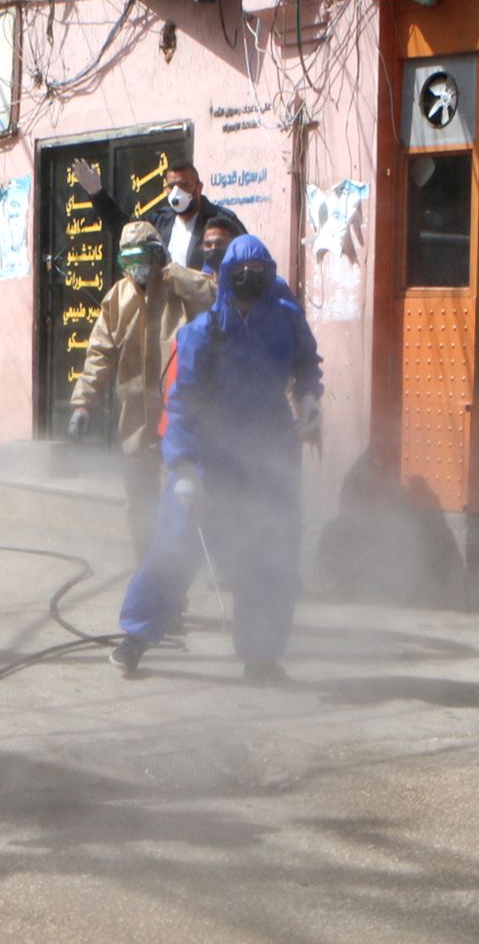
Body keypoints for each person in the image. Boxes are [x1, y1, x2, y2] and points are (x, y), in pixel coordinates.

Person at [110, 234, 322, 682]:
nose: (250, 282)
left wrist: (308, 400)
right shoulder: (203, 332)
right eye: (241, 275)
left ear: (270, 274)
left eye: (259, 274)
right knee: (174, 545)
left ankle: (261, 657)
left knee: (268, 554)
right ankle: (136, 637)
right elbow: (182, 402)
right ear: (226, 277)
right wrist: (183, 466)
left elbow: (307, 366)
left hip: (266, 455)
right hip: (208, 455)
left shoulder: (286, 320)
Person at [69, 222, 217, 558]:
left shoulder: (180, 288)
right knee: (139, 502)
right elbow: (99, 353)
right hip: (136, 421)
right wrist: (83, 403)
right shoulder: (117, 298)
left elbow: (213, 296)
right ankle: (146, 575)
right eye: (128, 260)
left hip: (178, 422)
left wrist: (174, 272)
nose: (136, 267)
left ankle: (176, 580)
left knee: (179, 500)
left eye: (142, 258)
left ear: (157, 256)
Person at [75, 159, 248, 272]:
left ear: (199, 187)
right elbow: (127, 231)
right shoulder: (159, 221)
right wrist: (96, 193)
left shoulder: (222, 222)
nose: (176, 192)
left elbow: (247, 259)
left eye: (183, 185)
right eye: (171, 186)